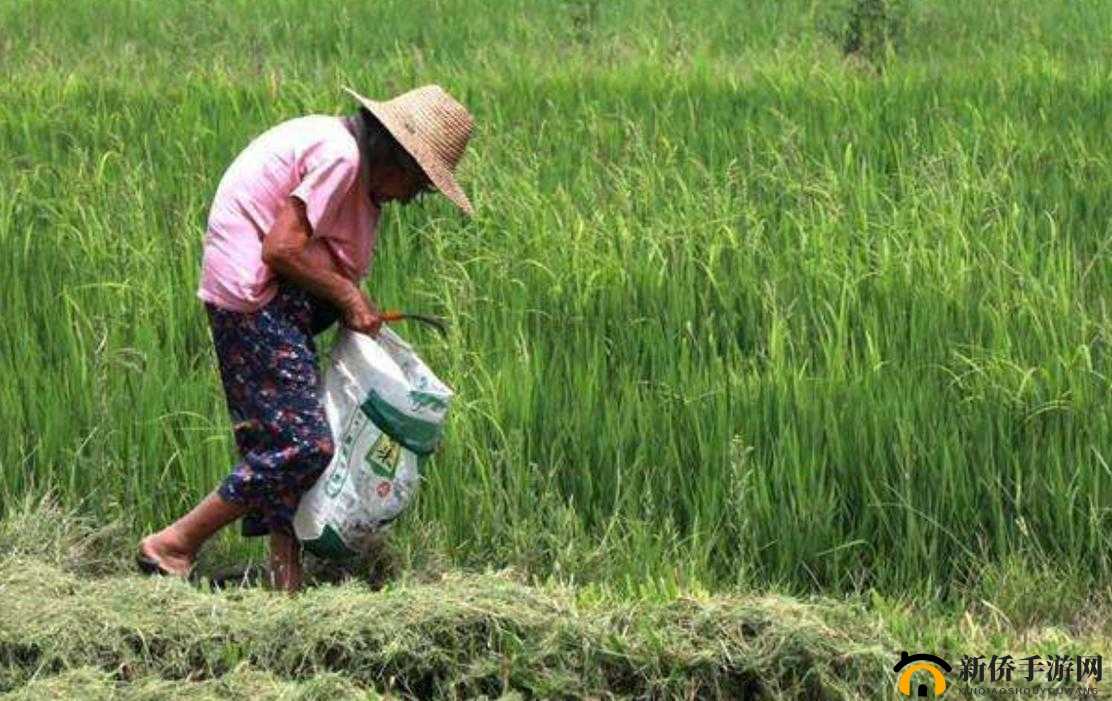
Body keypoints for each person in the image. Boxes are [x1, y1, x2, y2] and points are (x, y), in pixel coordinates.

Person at [136, 85, 475, 593]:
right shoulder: (340, 157)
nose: (409, 198)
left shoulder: (348, 161)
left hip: (278, 298)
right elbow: (281, 249)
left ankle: (284, 579)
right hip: (253, 297)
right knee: (302, 444)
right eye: (418, 184)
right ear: (397, 157)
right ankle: (174, 544)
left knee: (288, 432)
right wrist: (348, 296)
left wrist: (345, 298)